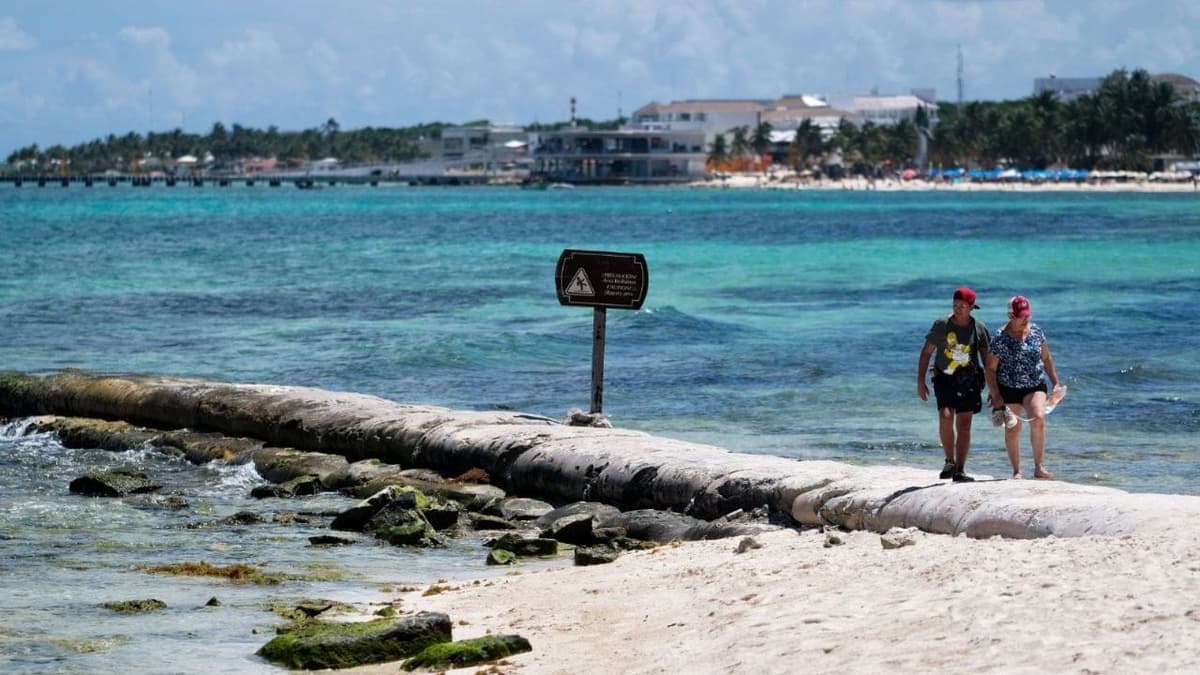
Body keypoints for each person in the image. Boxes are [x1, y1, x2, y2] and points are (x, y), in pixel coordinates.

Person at [917, 286, 991, 482]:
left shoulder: (979, 328)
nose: (958, 309)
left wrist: (995, 390)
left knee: (965, 425)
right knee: (946, 417)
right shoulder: (942, 325)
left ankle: (960, 469)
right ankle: (949, 460)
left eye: (963, 306)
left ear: (971, 307)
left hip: (969, 381)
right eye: (955, 305)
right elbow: (926, 353)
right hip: (945, 378)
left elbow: (988, 361)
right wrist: (920, 381)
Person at [985, 295, 1062, 479]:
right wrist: (995, 394)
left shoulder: (1036, 332)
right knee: (1013, 428)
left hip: (1035, 384)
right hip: (1008, 387)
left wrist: (1056, 383)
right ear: (1011, 315)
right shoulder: (1000, 338)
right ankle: (1017, 471)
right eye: (1022, 315)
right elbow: (990, 368)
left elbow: (1047, 358)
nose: (1026, 318)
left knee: (1039, 417)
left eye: (1027, 314)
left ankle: (1039, 467)